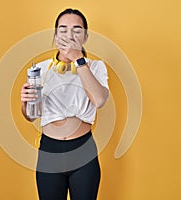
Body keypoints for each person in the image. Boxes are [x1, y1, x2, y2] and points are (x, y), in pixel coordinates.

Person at [20, 8, 109, 200]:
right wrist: (25, 102)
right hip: (49, 152)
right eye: (63, 30)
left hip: (83, 151)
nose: (69, 35)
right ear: (55, 35)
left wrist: (78, 58)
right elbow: (31, 115)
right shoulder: (40, 69)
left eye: (77, 30)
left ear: (85, 36)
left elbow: (99, 100)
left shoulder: (95, 67)